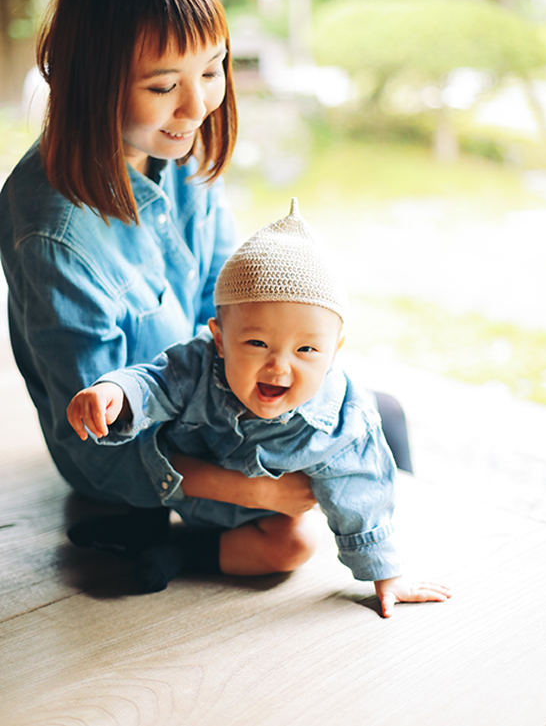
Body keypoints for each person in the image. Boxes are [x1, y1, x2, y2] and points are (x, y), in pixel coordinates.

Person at [0, 0, 410, 562]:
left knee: (379, 418)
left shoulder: (178, 148)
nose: (196, 107)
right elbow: (94, 441)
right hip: (143, 446)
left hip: (215, 397)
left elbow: (222, 308)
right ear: (90, 82)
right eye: (164, 85)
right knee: (288, 542)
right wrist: (254, 487)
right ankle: (154, 549)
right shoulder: (55, 237)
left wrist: (278, 374)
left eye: (213, 70)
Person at [67, 200, 450, 617]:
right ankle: (139, 529)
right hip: (174, 489)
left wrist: (385, 575)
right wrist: (116, 394)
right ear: (219, 338)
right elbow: (154, 382)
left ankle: (179, 551)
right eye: (256, 344)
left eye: (306, 349)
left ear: (334, 351)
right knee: (144, 463)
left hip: (254, 521)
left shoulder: (340, 420)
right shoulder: (197, 364)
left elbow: (363, 493)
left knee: (295, 545)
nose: (279, 366)